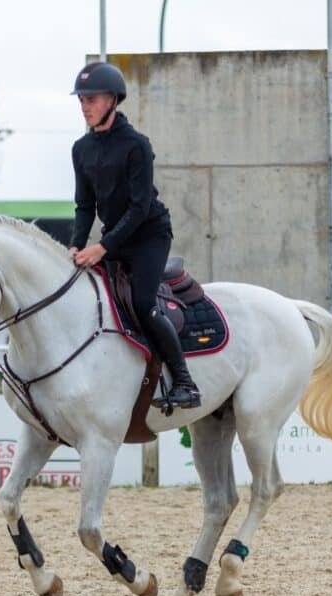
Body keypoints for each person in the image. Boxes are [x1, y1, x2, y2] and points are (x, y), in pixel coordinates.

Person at [68, 61, 201, 410]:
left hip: (149, 236)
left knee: (142, 303)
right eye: (81, 100)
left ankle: (185, 381)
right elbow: (85, 205)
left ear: (113, 99)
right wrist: (77, 244)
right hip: (114, 237)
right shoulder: (80, 150)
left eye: (91, 99)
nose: (84, 106)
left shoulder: (136, 145)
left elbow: (140, 208)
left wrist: (102, 247)